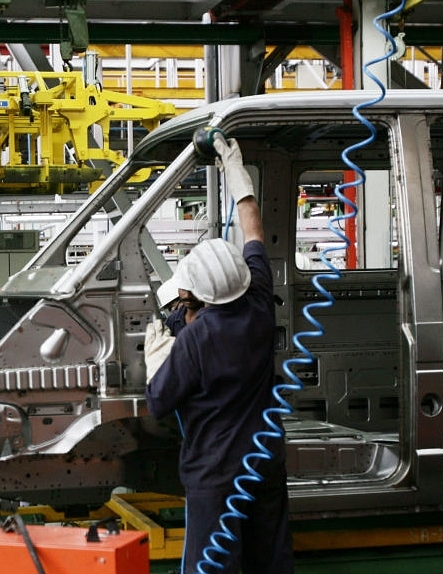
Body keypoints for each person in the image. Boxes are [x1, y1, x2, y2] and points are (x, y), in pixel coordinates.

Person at [144, 135, 294, 574]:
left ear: (196, 294)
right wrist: (236, 170)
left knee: (215, 566)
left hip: (216, 474)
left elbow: (158, 402)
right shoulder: (260, 295)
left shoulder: (195, 340)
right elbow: (252, 225)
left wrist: (158, 354)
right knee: (270, 561)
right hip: (265, 460)